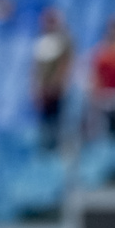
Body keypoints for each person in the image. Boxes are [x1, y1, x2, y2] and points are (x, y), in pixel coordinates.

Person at [32, 8, 74, 151]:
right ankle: (48, 146)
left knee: (60, 121)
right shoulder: (41, 40)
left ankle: (61, 146)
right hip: (44, 89)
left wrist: (57, 84)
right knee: (46, 121)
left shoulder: (63, 40)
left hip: (58, 90)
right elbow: (36, 68)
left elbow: (65, 64)